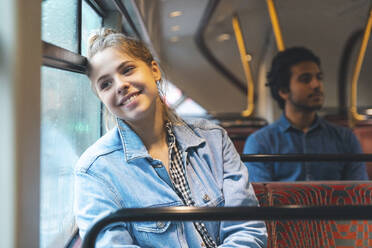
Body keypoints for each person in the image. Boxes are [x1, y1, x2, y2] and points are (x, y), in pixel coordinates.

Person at [73, 28, 267, 247]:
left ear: (154, 70)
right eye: (105, 84)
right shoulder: (94, 171)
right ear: (101, 98)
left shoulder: (214, 139)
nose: (120, 85)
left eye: (127, 70)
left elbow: (247, 229)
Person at [243, 47, 368, 182]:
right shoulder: (261, 142)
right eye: (305, 79)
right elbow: (261, 198)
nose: (316, 85)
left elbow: (359, 194)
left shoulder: (345, 138)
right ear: (283, 91)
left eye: (319, 77)